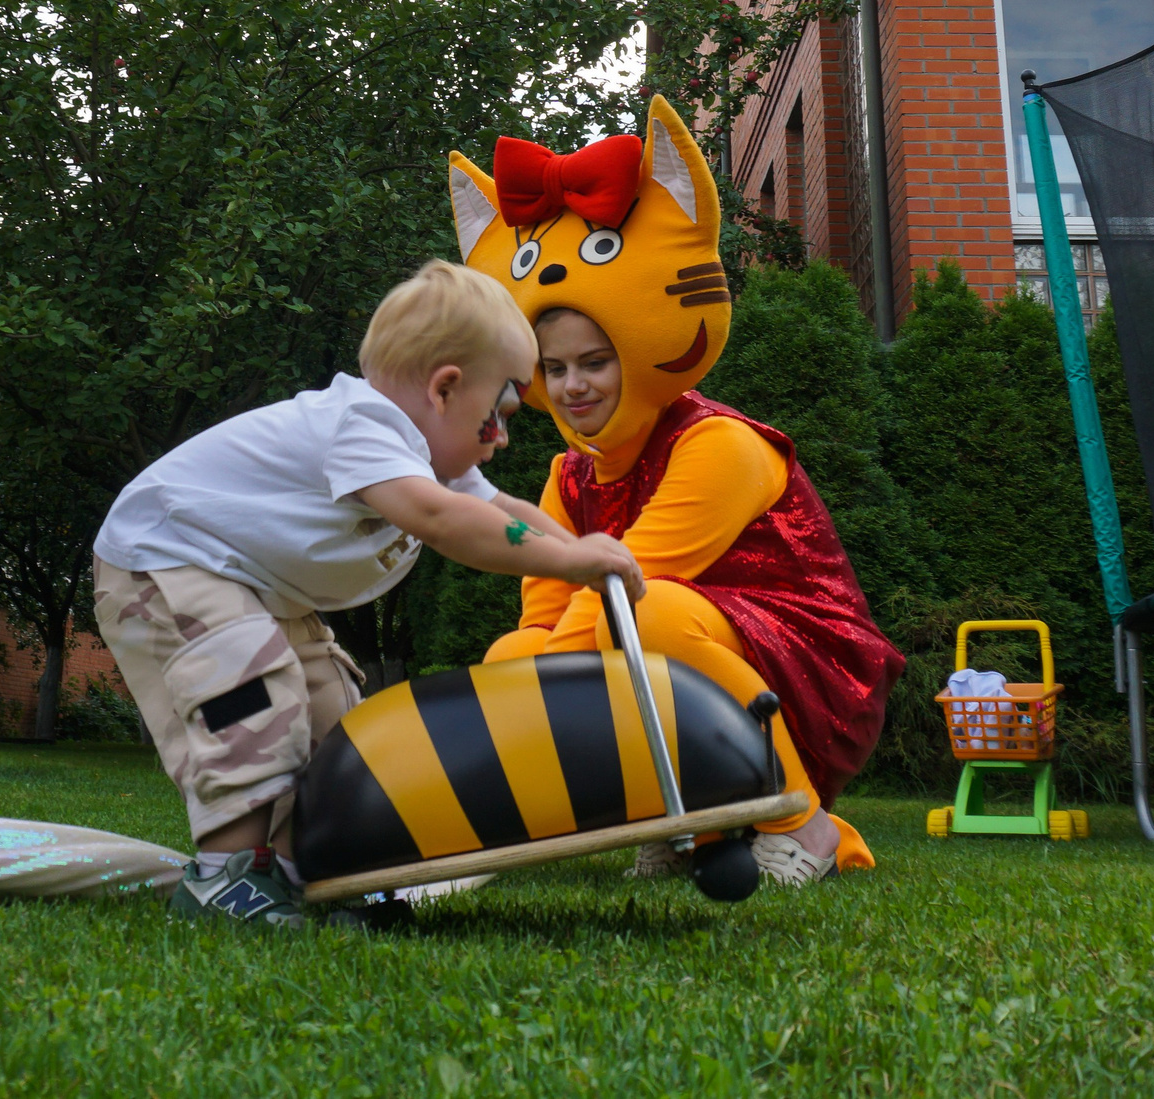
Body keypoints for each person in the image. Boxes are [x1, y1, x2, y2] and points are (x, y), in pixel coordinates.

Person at [91, 258, 647, 927]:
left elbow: (503, 509)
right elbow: (441, 520)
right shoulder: (363, 425)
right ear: (444, 389)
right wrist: (565, 560)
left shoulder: (428, 455)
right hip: (164, 561)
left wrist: (583, 549)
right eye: (497, 412)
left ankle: (308, 872)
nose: (501, 436)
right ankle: (226, 876)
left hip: (258, 585)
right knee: (246, 688)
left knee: (336, 714)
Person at [448, 94, 904, 885]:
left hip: (807, 672)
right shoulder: (568, 474)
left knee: (639, 613)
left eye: (593, 359)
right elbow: (546, 615)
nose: (574, 385)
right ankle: (676, 818)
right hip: (678, 643)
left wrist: (542, 708)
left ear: (634, 344)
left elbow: (621, 582)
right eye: (555, 368)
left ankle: (806, 820)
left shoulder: (719, 444)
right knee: (514, 650)